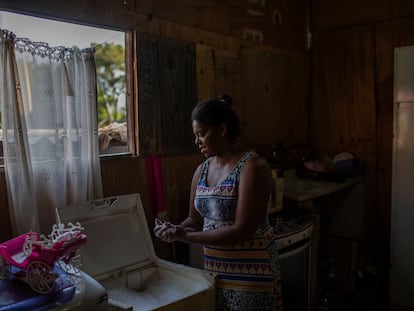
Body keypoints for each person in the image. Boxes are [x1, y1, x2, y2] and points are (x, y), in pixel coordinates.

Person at [154, 94, 283, 311]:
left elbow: (242, 230)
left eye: (201, 134)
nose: (197, 142)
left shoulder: (252, 167)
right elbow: (194, 219)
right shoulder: (202, 170)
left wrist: (185, 236)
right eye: (195, 135)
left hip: (251, 272)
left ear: (222, 130)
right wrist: (175, 229)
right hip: (216, 270)